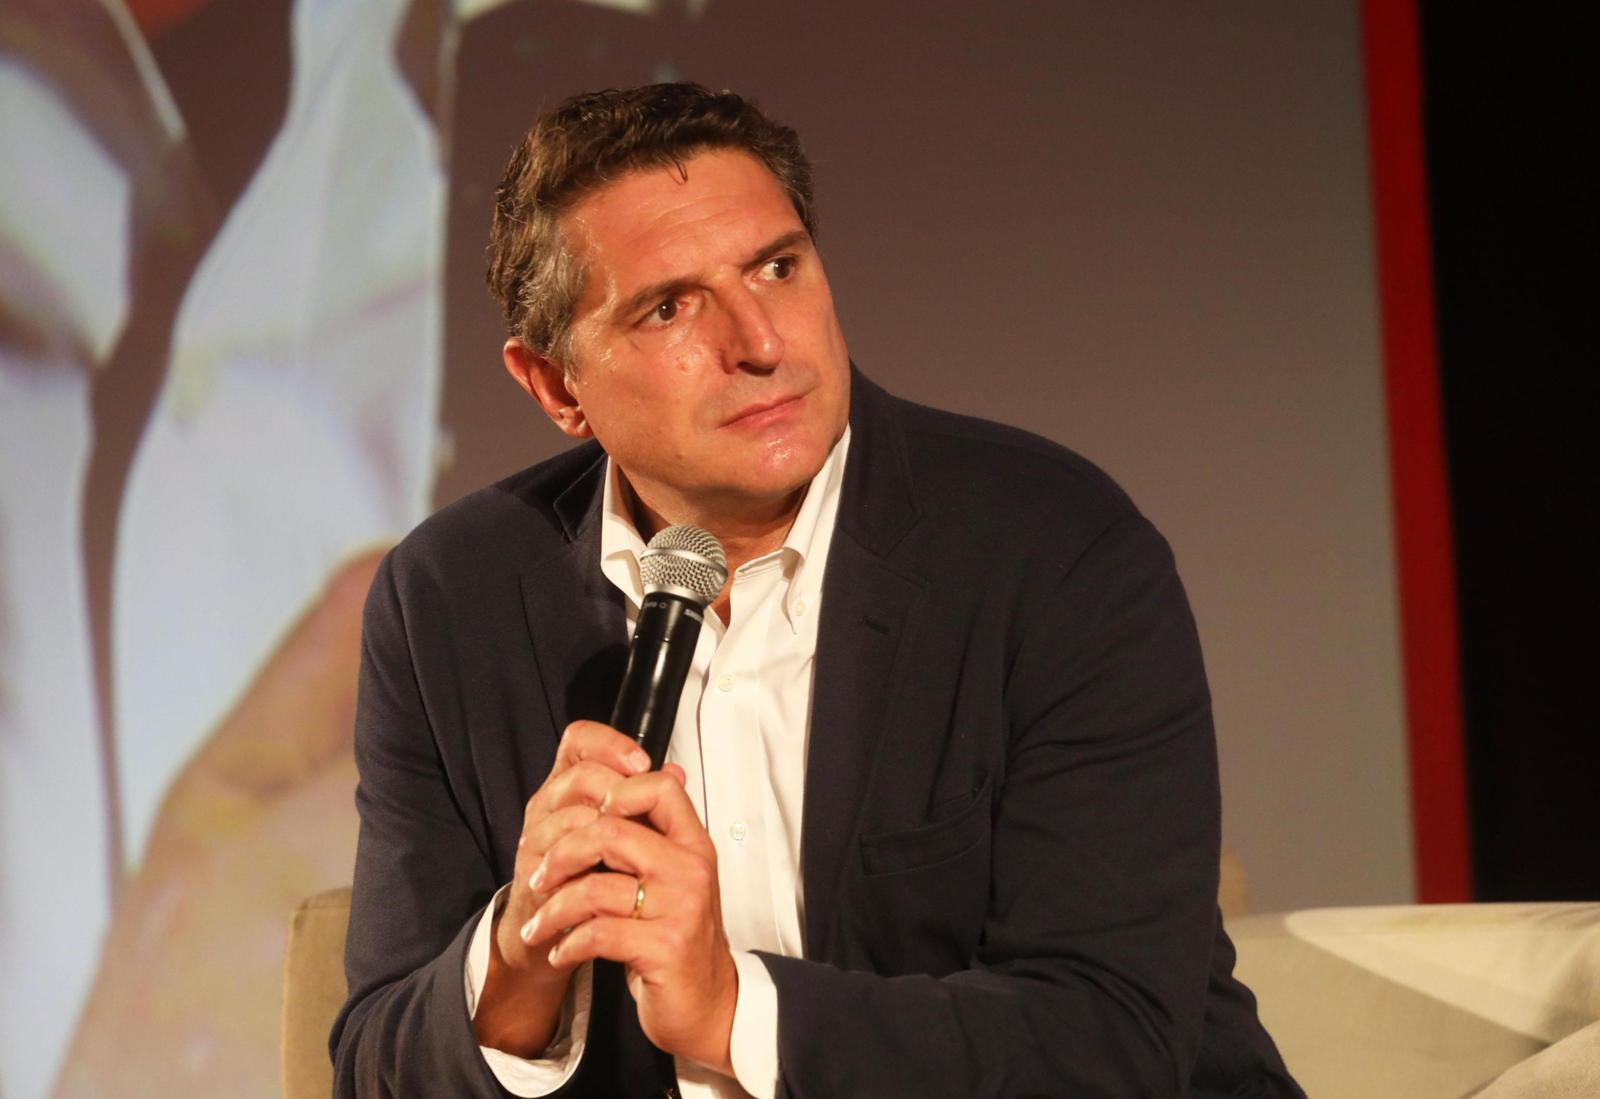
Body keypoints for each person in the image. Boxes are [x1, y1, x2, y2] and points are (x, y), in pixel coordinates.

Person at [332, 83, 1304, 1098]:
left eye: (777, 267)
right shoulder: (451, 599)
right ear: (555, 385)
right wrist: (518, 960)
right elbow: (373, 1064)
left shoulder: (1054, 549)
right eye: (669, 307)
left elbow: (1110, 1037)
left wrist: (732, 1012)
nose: (760, 343)